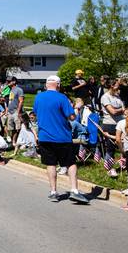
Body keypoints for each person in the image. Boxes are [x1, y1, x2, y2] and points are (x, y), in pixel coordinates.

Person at [33, 75, 89, 203]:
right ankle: (74, 190)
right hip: (62, 137)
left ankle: (53, 192)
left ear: (47, 84)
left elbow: (36, 113)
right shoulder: (62, 97)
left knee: (50, 163)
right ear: (58, 85)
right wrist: (77, 108)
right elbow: (72, 117)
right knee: (71, 163)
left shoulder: (39, 97)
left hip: (44, 136)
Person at [99, 78, 125, 175]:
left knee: (123, 146)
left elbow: (122, 109)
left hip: (120, 124)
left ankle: (124, 165)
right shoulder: (105, 97)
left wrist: (122, 111)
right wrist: (121, 110)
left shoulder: (117, 96)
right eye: (117, 84)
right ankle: (110, 169)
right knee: (111, 148)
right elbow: (112, 111)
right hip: (109, 125)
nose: (119, 85)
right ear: (112, 86)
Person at [5, 77, 25, 150]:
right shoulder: (10, 90)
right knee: (11, 128)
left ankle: (16, 142)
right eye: (7, 81)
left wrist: (19, 112)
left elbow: (21, 101)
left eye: (9, 81)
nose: (7, 82)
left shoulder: (19, 90)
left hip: (16, 111)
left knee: (18, 128)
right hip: (10, 112)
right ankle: (13, 142)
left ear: (14, 82)